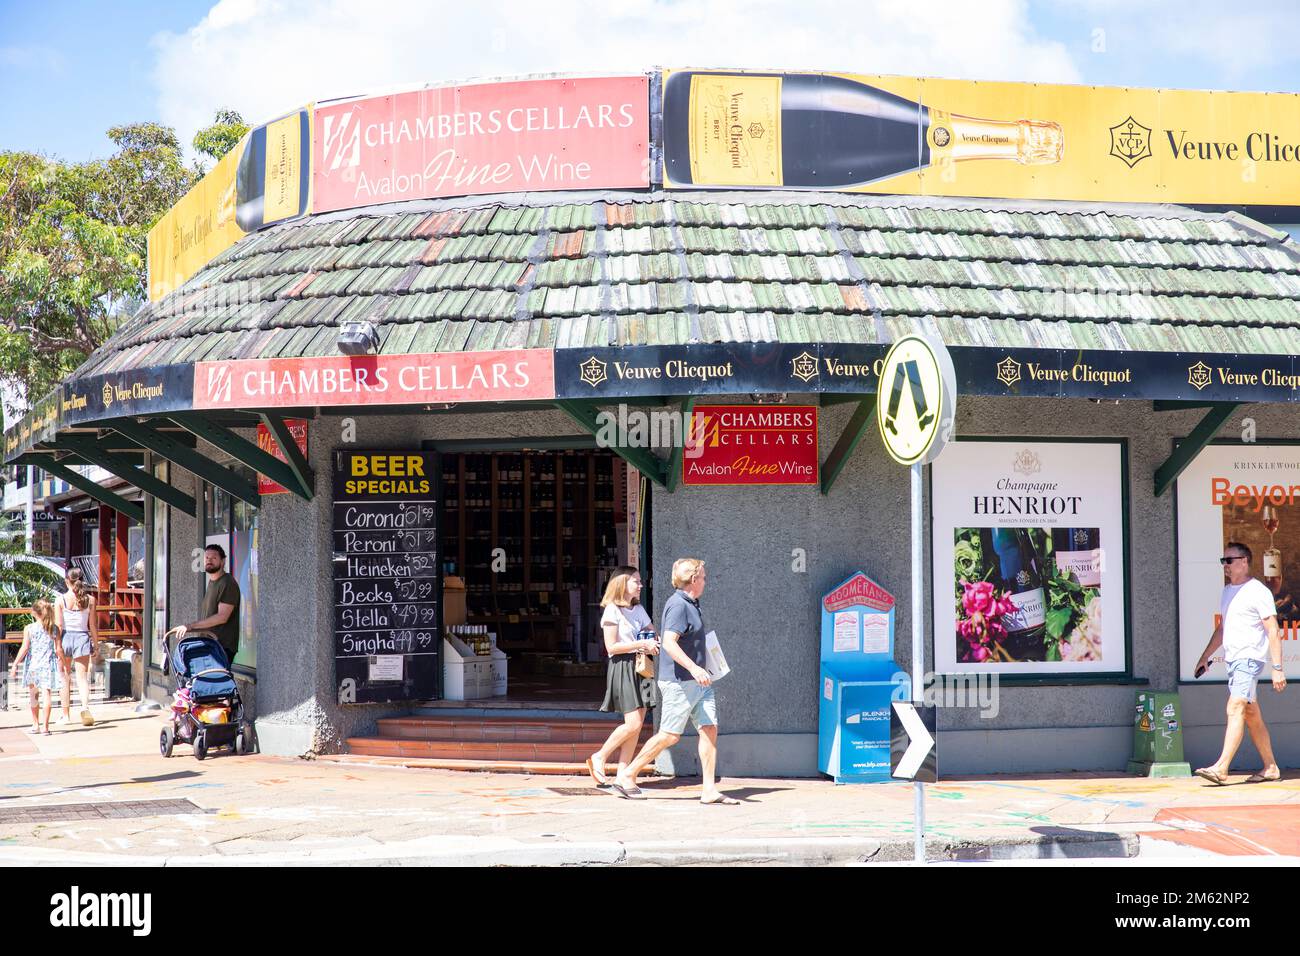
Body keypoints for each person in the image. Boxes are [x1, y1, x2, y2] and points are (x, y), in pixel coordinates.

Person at [615, 558, 737, 804]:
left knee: (709, 729)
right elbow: (669, 642)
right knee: (669, 735)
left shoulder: (691, 603)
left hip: (699, 682)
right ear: (693, 580)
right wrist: (694, 668)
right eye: (703, 576)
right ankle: (628, 774)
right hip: (680, 682)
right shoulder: (678, 605)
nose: (705, 580)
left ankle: (709, 790)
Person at [1193, 541, 1287, 785]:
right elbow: (1223, 629)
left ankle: (1221, 768)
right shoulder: (1227, 592)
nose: (1225, 565)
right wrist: (1205, 657)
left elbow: (1273, 630)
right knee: (1250, 713)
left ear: (1244, 562)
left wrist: (1277, 668)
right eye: (1223, 561)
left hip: (1249, 659)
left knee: (1235, 706)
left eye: (1229, 560)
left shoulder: (1258, 591)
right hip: (1234, 661)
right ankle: (1271, 767)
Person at [587, 566, 659, 788]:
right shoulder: (612, 611)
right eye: (635, 581)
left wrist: (652, 642)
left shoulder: (638, 609)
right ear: (622, 584)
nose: (640, 584)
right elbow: (612, 646)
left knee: (637, 724)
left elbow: (652, 632)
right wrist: (642, 643)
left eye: (640, 580)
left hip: (643, 666)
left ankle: (624, 774)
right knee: (633, 722)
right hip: (623, 666)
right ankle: (599, 756)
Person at [169, 544, 241, 663]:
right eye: (207, 558)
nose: (209, 561)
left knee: (216, 680)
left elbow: (222, 617)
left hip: (220, 645)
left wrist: (190, 626)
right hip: (209, 643)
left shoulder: (227, 583)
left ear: (223, 561)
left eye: (213, 558)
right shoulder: (213, 582)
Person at [9, 598, 63, 735]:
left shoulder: (29, 628)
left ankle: (35, 725)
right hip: (48, 665)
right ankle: (45, 727)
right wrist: (61, 664)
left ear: (35, 613)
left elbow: (24, 648)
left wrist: (15, 664)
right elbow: (59, 649)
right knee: (47, 695)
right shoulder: (54, 628)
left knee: (33, 696)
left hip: (33, 665)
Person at [56, 568, 98, 726]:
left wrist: (56, 644)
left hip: (66, 637)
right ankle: (85, 707)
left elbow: (58, 626)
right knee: (82, 678)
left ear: (67, 581)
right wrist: (96, 644)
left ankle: (66, 716)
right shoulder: (90, 600)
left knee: (65, 677)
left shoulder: (61, 600)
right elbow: (92, 625)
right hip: (82, 637)